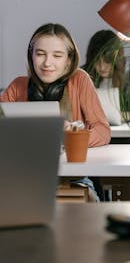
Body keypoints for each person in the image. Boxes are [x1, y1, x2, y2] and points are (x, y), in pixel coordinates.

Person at [0, 23, 111, 200]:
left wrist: (73, 136)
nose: (47, 63)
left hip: (74, 179)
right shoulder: (18, 86)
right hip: (24, 179)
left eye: (57, 55)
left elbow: (103, 131)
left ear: (68, 59)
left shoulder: (79, 80)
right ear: (31, 55)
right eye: (40, 54)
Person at [83, 29, 130, 122]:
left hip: (128, 134)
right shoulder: (83, 75)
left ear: (117, 58)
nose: (102, 67)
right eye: (97, 61)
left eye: (107, 61)